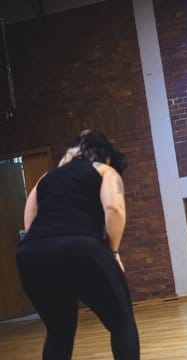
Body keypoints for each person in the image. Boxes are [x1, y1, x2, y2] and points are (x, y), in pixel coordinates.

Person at [16, 130, 139, 359]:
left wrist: (45, 243)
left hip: (31, 254)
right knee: (122, 324)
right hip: (79, 246)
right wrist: (112, 252)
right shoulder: (105, 170)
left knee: (58, 333)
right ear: (107, 157)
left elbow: (30, 216)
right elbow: (114, 209)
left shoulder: (46, 177)